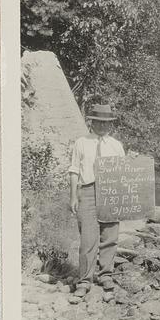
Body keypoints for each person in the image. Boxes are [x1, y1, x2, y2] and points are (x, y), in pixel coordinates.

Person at [68, 103, 125, 296]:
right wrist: (73, 196)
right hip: (88, 191)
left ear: (111, 125)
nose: (102, 126)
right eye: (98, 122)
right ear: (92, 122)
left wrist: (133, 160)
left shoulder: (116, 145)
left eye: (106, 123)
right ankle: (84, 280)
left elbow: (124, 171)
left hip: (111, 191)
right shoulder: (81, 142)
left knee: (110, 236)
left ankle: (106, 275)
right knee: (88, 238)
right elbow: (74, 170)